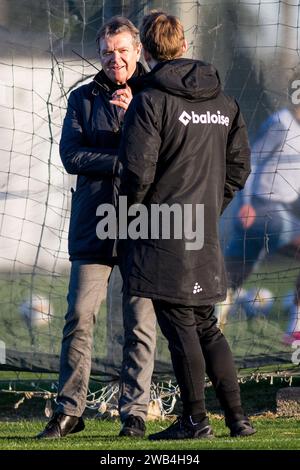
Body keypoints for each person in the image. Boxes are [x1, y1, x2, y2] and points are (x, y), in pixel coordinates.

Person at [118, 11, 255, 440]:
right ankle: (238, 419)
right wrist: (213, 204)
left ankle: (195, 421)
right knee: (205, 326)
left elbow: (136, 172)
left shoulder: (152, 100)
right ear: (182, 43)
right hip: (203, 232)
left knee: (181, 328)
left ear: (148, 49)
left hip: (164, 233)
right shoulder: (225, 102)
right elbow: (240, 167)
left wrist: (133, 214)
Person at [36, 16, 156, 440]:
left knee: (139, 322)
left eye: (122, 51)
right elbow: (72, 156)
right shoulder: (82, 98)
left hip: (145, 221)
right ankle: (70, 410)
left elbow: (162, 158)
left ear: (138, 51)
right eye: (108, 52)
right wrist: (121, 163)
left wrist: (135, 120)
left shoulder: (155, 94)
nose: (115, 59)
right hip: (94, 222)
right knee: (78, 317)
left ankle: (135, 413)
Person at [222, 74, 300, 342]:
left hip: (281, 212)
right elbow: (250, 161)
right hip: (263, 209)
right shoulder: (281, 124)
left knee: (233, 273)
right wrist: (246, 203)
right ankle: (295, 323)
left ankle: (217, 313)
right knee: (232, 271)